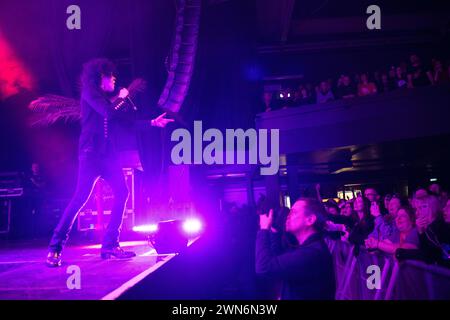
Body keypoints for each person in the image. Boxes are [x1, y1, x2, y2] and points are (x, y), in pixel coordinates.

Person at [46, 58, 173, 267]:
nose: (114, 79)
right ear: (100, 77)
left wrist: (152, 122)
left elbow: (126, 123)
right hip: (90, 155)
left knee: (122, 192)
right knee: (80, 198)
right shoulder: (89, 92)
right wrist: (123, 97)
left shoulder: (105, 100)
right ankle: (55, 248)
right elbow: (109, 113)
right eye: (110, 75)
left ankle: (110, 246)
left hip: (108, 156)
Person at [255, 199, 336, 300]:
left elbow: (263, 267)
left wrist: (263, 229)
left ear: (310, 220)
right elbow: (277, 259)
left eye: (293, 212)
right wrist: (274, 230)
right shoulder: (307, 247)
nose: (288, 215)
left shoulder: (312, 253)